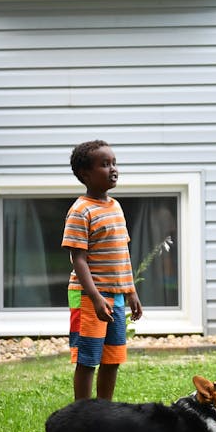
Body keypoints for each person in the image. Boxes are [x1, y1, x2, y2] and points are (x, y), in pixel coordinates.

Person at [63, 139, 143, 400]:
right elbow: (79, 259)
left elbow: (122, 253)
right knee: (88, 358)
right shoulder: (80, 210)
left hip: (116, 296)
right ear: (85, 174)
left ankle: (104, 412)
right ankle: (83, 415)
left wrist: (131, 291)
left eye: (114, 163)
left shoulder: (116, 207)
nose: (113, 169)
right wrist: (96, 297)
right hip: (89, 297)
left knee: (112, 357)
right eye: (105, 164)